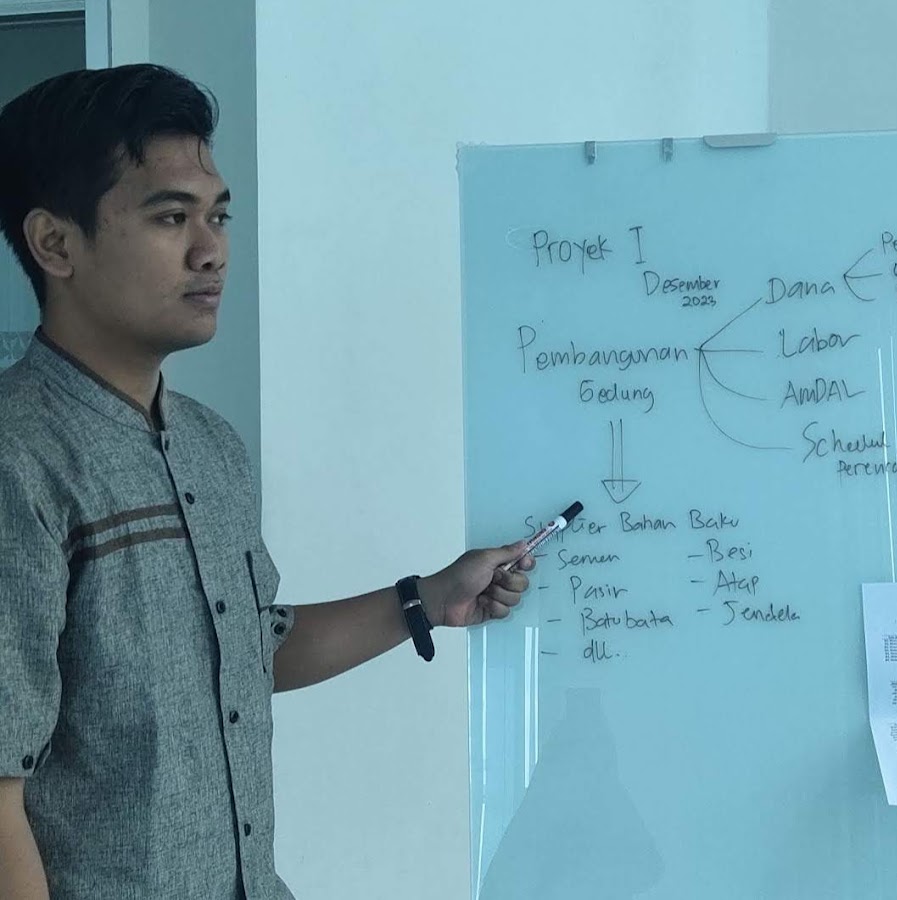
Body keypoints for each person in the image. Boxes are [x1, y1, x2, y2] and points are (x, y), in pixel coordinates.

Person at [0, 64, 533, 900]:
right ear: (55, 244)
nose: (210, 250)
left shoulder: (211, 446)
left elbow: (247, 650)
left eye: (218, 216)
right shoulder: (18, 457)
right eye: (171, 216)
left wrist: (430, 598)